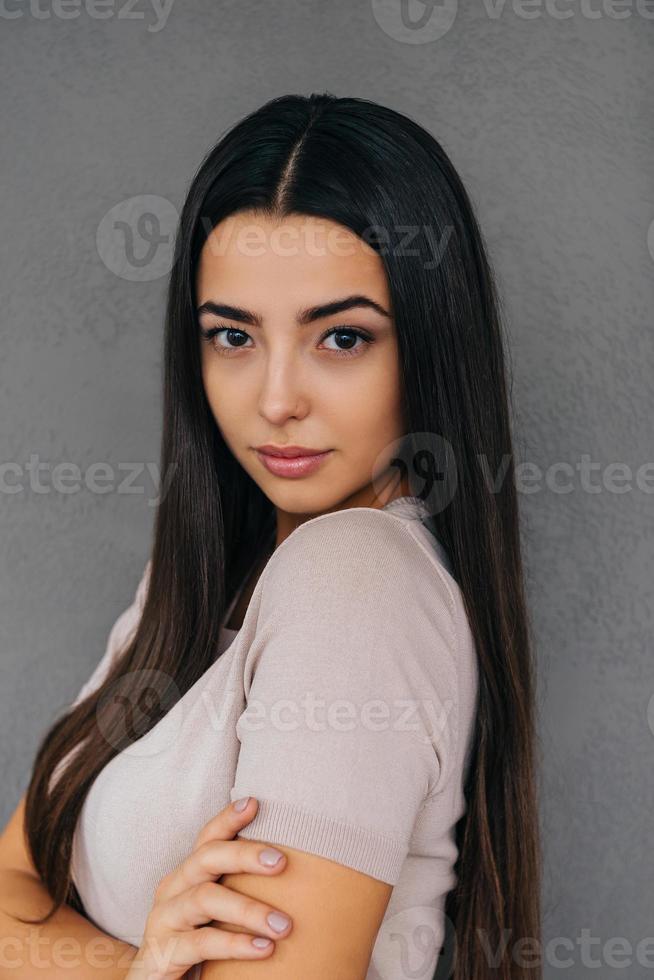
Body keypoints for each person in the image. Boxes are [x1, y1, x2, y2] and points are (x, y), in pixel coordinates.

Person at [2, 93, 540, 980]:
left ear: (430, 344)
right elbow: (10, 880)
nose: (277, 398)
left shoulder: (352, 581)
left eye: (341, 336)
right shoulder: (208, 576)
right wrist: (136, 969)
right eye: (232, 336)